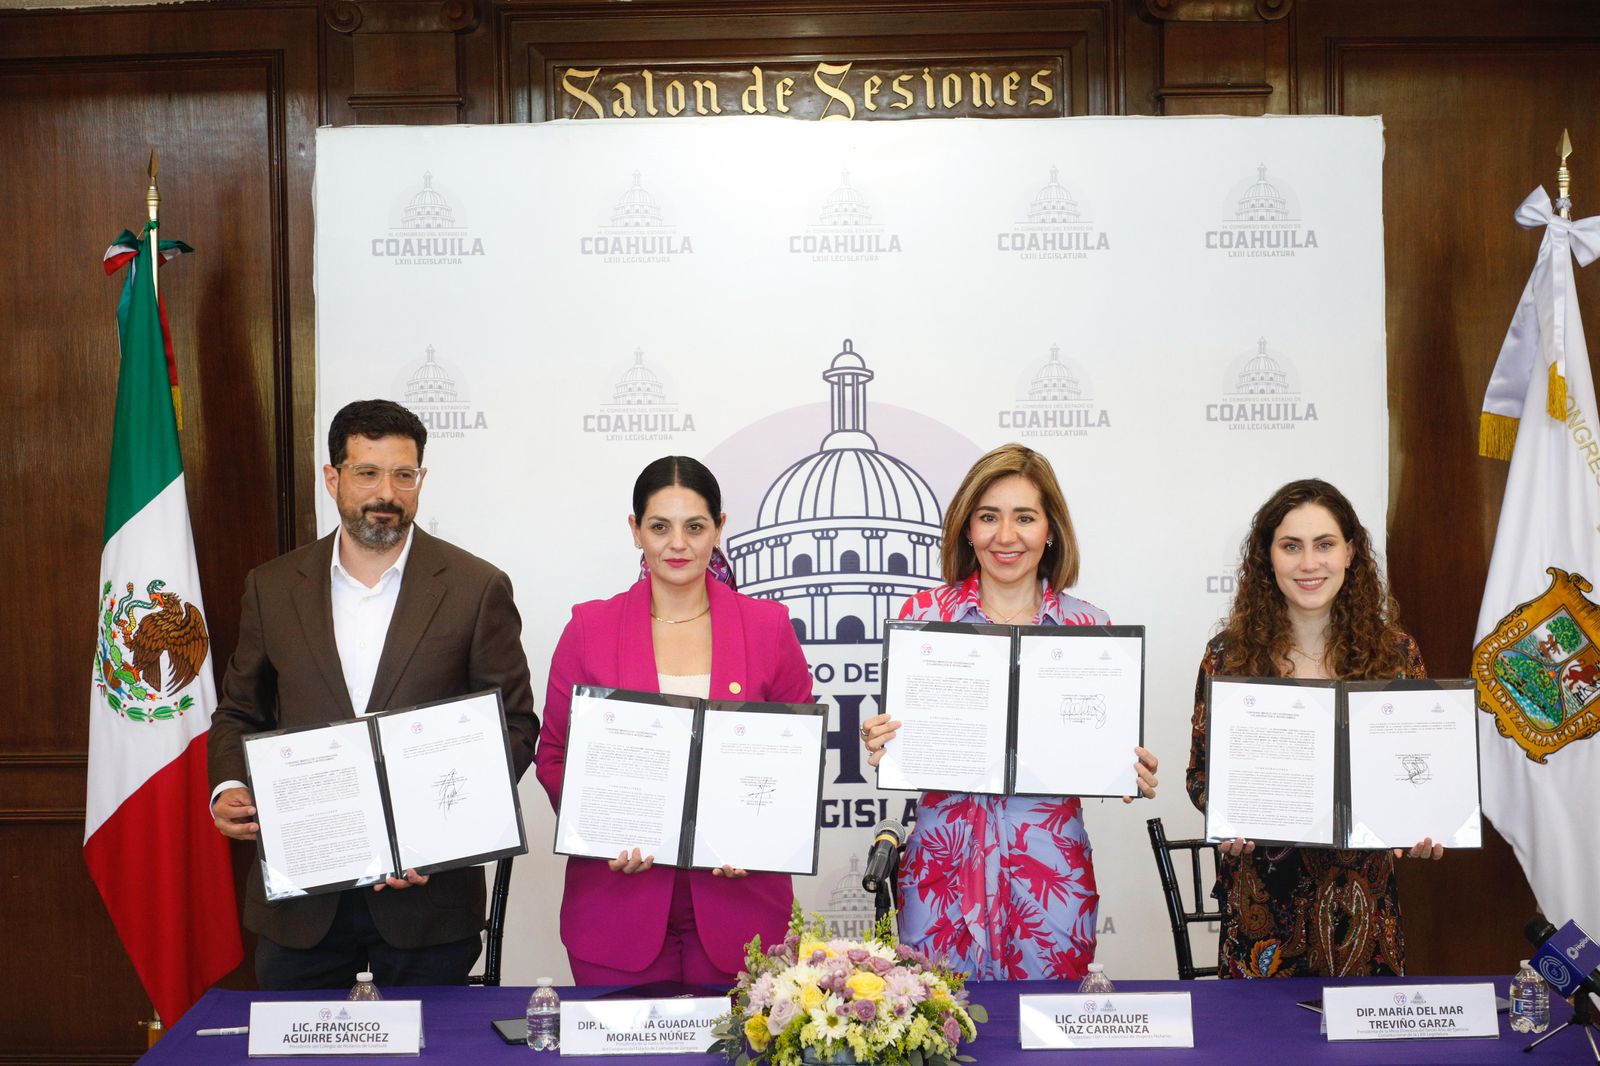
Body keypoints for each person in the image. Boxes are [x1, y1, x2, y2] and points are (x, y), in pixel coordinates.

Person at [207, 399, 538, 990]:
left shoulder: (476, 587)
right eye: (367, 473)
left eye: (403, 475)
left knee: (432, 1043)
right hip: (302, 900)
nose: (387, 493)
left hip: (427, 902)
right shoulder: (272, 587)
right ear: (332, 478)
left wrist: (439, 834)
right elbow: (240, 711)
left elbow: (513, 727)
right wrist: (229, 785)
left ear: (421, 480)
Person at [860, 443, 1158, 980]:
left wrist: (1125, 766)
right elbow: (908, 739)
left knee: (1048, 1021)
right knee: (941, 1021)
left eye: (1024, 517)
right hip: (942, 870)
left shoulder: (1090, 628)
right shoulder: (924, 616)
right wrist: (883, 738)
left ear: (1051, 530)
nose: (1005, 536)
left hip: (1050, 872)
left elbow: (1104, 746)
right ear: (966, 529)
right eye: (988, 517)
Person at [535, 456, 814, 985]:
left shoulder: (768, 628)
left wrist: (760, 836)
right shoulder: (590, 627)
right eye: (660, 527)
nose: (678, 544)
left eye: (695, 527)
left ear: (719, 528)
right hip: (617, 905)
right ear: (635, 530)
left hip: (742, 906)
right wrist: (602, 829)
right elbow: (554, 755)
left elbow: (797, 758)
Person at [1185, 478, 1445, 979]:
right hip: (1262, 906)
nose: (1309, 563)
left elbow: (1419, 772)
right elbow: (1200, 775)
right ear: (1268, 558)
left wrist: (1425, 820)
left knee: (1362, 1033)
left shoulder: (1396, 655)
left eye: (1324, 545)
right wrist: (1225, 814)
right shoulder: (1228, 657)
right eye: (1291, 546)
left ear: (1350, 552)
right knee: (1257, 1033)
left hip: (1364, 907)